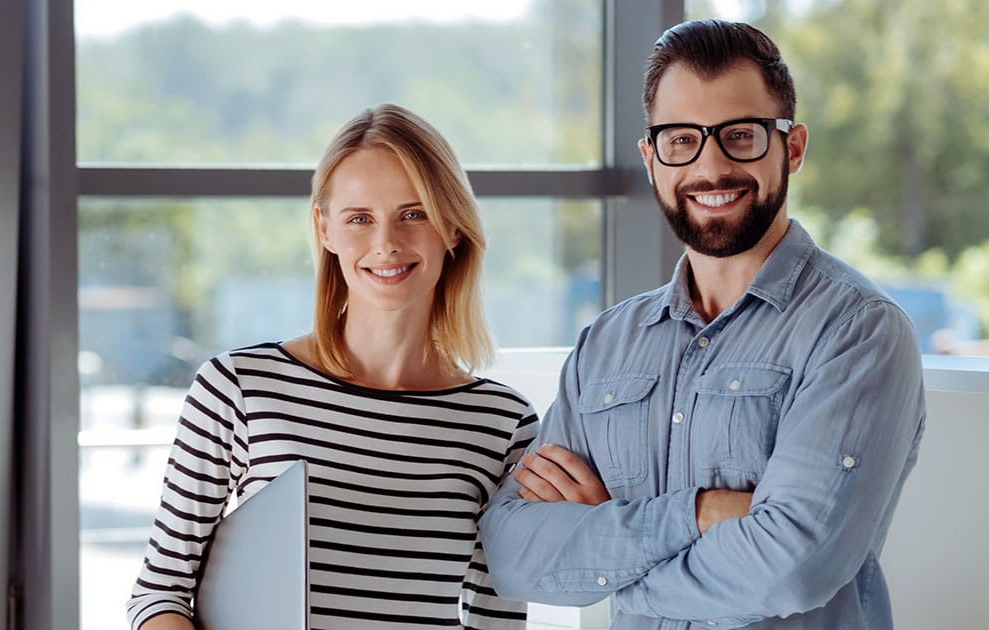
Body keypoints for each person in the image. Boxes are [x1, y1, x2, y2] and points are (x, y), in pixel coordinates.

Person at [479, 19, 926, 630]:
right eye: (681, 139)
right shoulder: (607, 346)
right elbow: (513, 555)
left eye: (740, 135)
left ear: (791, 147)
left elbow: (792, 566)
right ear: (651, 158)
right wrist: (700, 513)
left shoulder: (857, 332)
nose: (711, 167)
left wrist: (615, 564)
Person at [126, 103, 537, 630]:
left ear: (453, 227)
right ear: (325, 229)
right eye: (359, 219)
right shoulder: (240, 389)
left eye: (414, 214)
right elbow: (159, 595)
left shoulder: (501, 423)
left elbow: (495, 618)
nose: (386, 243)